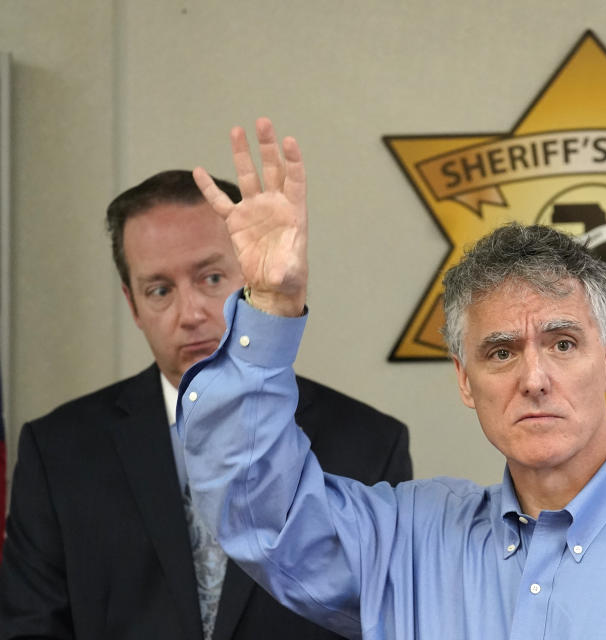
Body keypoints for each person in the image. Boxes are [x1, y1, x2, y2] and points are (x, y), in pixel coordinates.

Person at [179, 118, 606, 639]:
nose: (534, 377)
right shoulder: (404, 541)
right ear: (464, 380)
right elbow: (256, 507)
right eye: (501, 352)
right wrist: (271, 302)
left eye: (563, 343)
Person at [0, 170, 412, 640]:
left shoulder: (370, 442)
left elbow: (388, 622)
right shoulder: (57, 450)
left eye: (212, 278)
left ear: (254, 275)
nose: (190, 313)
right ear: (133, 306)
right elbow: (30, 626)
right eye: (159, 290)